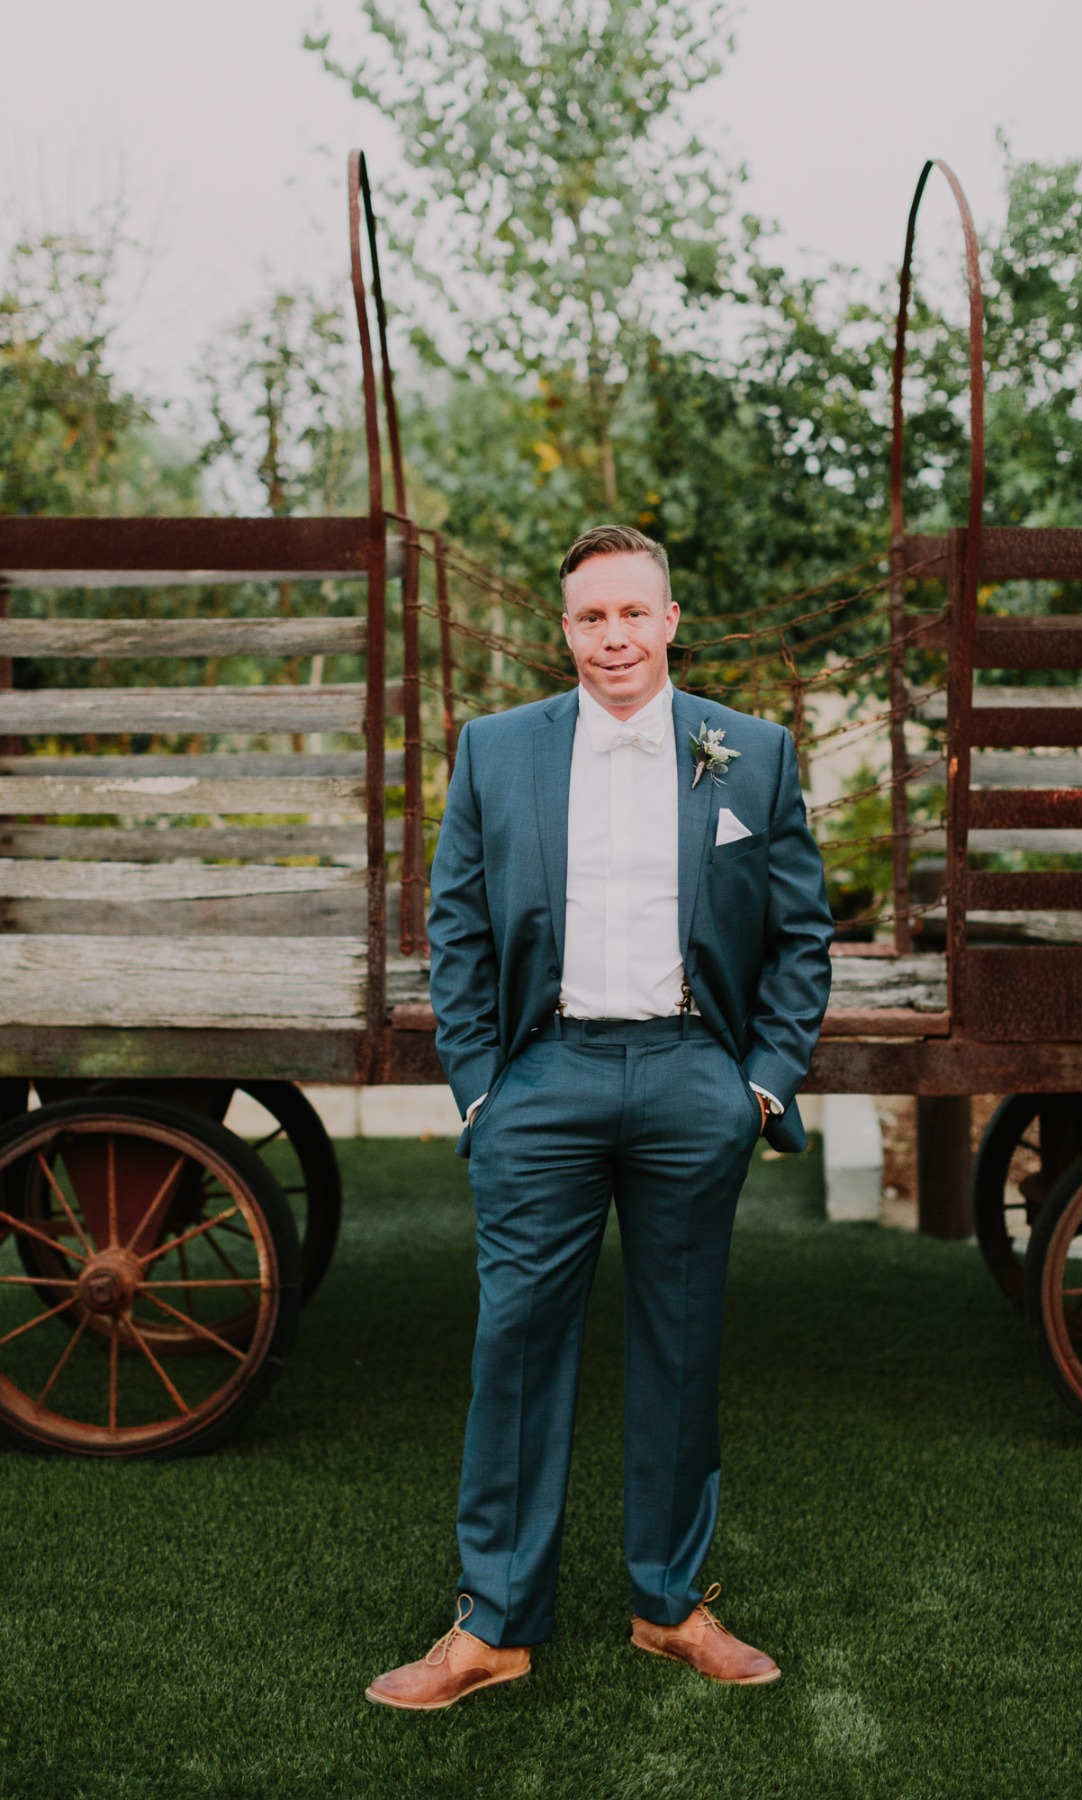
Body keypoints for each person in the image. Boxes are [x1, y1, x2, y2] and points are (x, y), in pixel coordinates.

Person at [367, 524, 834, 1711]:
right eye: (591, 617)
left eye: (635, 613)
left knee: (681, 1349)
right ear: (563, 627)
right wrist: (483, 1087)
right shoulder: (496, 748)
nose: (614, 636)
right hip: (545, 1081)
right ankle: (494, 1626)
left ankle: (669, 1605)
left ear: (671, 621)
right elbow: (457, 930)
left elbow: (801, 936)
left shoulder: (750, 754)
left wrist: (761, 1084)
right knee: (515, 1344)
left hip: (692, 1078)